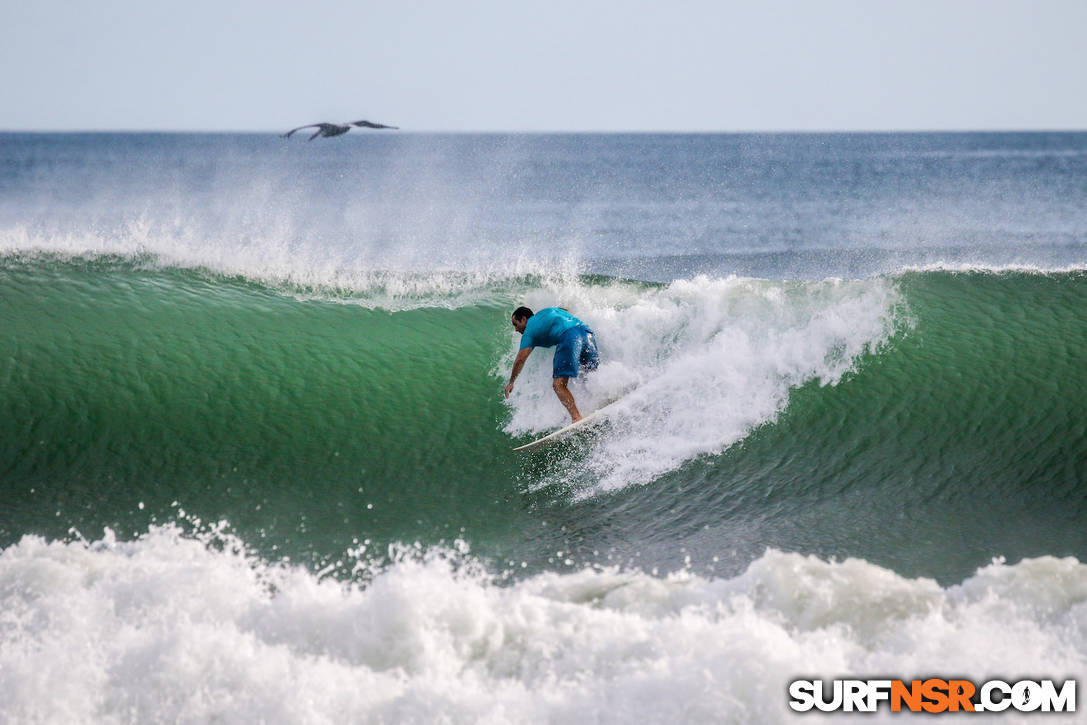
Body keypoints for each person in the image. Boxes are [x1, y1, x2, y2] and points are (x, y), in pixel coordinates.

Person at [504, 306, 599, 422]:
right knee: (592, 374)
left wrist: (511, 382)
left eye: (515, 324)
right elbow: (564, 309)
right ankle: (606, 397)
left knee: (558, 385)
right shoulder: (547, 311)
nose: (516, 329)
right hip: (586, 332)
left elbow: (520, 359)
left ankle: (576, 417)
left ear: (524, 319)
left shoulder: (529, 330)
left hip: (570, 337)